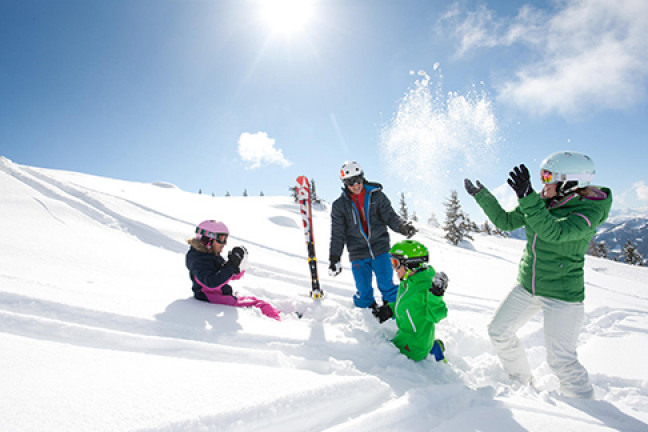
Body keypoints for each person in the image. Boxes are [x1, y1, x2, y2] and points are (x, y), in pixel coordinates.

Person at [464, 151, 612, 399]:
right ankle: (522, 383)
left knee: (561, 361)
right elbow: (506, 222)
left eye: (549, 178)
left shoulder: (589, 211)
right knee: (499, 332)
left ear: (570, 183)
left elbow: (554, 232)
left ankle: (586, 407)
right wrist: (482, 196)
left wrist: (527, 197)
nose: (543, 184)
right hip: (527, 286)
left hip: (562, 294)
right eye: (542, 176)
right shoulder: (542, 203)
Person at [329, 161, 417, 310]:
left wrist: (402, 227)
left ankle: (395, 313)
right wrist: (334, 257)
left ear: (363, 177)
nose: (355, 185)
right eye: (350, 182)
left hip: (380, 249)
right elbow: (338, 233)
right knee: (363, 291)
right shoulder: (339, 205)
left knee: (387, 286)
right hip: (357, 252)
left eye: (358, 180)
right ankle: (367, 316)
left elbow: (390, 216)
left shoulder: (377, 196)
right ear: (344, 183)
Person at [186, 220, 281, 320]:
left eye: (226, 239)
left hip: (218, 296)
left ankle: (280, 315)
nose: (224, 243)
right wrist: (230, 267)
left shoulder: (209, 255)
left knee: (254, 300)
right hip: (212, 298)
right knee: (259, 304)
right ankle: (279, 323)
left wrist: (237, 266)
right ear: (207, 239)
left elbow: (225, 273)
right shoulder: (199, 260)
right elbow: (212, 282)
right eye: (221, 239)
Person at [373, 240, 449, 362]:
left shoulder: (425, 287)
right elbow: (408, 305)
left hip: (414, 348)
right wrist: (389, 310)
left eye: (396, 263)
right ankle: (434, 347)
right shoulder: (408, 282)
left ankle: (432, 349)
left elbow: (436, 315)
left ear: (410, 264)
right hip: (404, 336)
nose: (394, 268)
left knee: (382, 361)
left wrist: (436, 295)